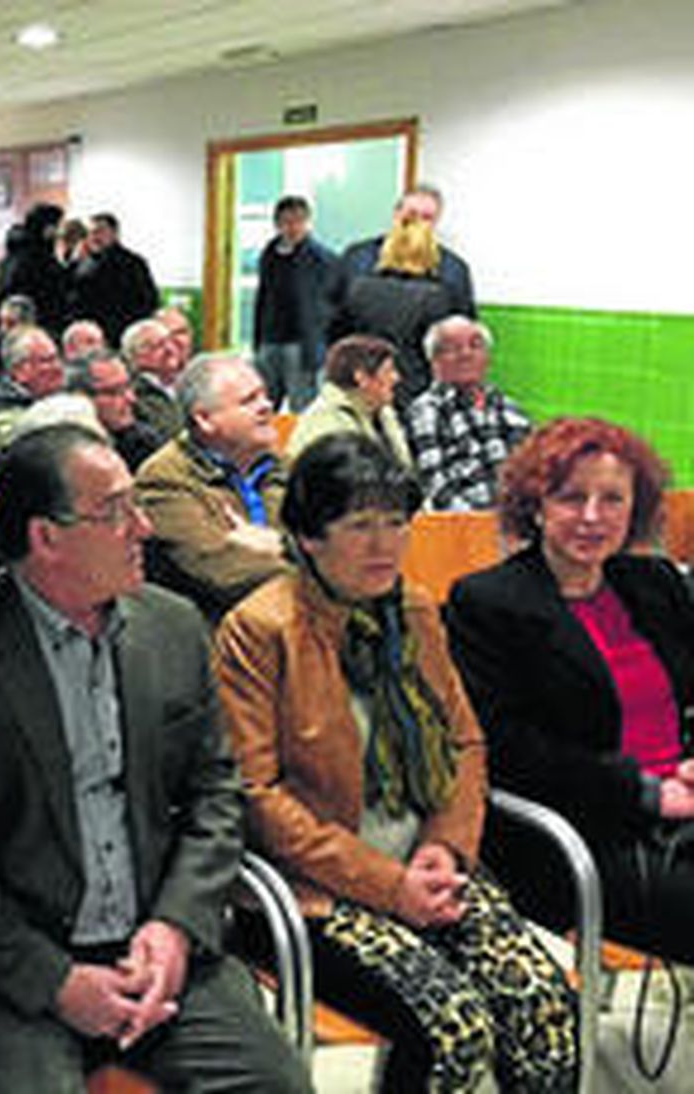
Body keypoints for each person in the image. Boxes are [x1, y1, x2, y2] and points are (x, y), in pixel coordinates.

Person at [0, 424, 310, 1094]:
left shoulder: (172, 627)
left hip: (159, 948)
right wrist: (54, 981)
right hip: (13, 971)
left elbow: (216, 796)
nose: (143, 527)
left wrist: (175, 928)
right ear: (47, 538)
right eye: (115, 511)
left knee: (275, 1084)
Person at [215, 433, 578, 1093]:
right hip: (316, 892)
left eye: (395, 523)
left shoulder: (411, 609)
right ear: (306, 536)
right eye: (359, 526)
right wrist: (389, 886)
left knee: (544, 1007)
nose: (385, 544)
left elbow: (465, 742)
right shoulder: (259, 629)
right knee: (453, 1026)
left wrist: (445, 850)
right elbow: (257, 797)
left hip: (430, 869)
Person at [445, 418, 694, 965]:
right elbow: (509, 749)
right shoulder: (488, 603)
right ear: (536, 506)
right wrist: (644, 792)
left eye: (611, 499)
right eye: (570, 497)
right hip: (576, 834)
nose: (591, 516)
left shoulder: (655, 584)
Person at [134, 354, 291, 622]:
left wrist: (281, 546)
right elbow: (221, 570)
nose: (267, 406)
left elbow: (343, 537)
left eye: (265, 396)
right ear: (205, 419)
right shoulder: (165, 479)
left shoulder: (288, 466)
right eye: (248, 400)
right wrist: (324, 571)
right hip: (221, 643)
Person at [327, 216, 457, 408]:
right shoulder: (436, 297)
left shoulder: (359, 289)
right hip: (414, 392)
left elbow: (336, 338)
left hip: (365, 387)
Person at [405, 315, 531, 511]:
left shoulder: (510, 409)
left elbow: (532, 474)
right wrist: (483, 525)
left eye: (475, 346)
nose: (466, 354)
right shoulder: (427, 410)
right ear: (434, 360)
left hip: (515, 522)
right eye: (453, 349)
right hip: (461, 528)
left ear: (488, 356)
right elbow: (435, 485)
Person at [326, 184, 476, 327]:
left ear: (436, 221)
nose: (417, 223)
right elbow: (332, 313)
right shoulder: (357, 258)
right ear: (396, 214)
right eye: (411, 215)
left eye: (426, 218)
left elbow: (463, 326)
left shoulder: (453, 269)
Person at [254, 195, 334, 412]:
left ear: (308, 222)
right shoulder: (268, 254)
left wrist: (322, 340)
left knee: (303, 407)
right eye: (287, 222)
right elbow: (262, 297)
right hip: (270, 341)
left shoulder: (321, 258)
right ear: (277, 224)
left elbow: (333, 303)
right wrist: (258, 340)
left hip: (302, 344)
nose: (293, 227)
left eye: (299, 221)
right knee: (263, 404)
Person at [286, 334, 413, 468]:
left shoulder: (383, 413)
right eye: (388, 371)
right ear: (362, 378)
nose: (396, 378)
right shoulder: (327, 424)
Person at [0, 323, 66, 465]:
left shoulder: (66, 403)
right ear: (20, 372)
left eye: (57, 358)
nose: (58, 368)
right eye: (47, 361)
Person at [70, 212, 160, 346]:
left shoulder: (132, 263)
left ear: (114, 233)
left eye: (99, 231)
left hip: (120, 335)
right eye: (90, 233)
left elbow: (148, 300)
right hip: (89, 335)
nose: (94, 237)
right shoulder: (83, 263)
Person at [66, 350, 165, 472]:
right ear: (81, 398)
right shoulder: (63, 454)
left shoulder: (144, 442)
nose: (131, 398)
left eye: (129, 386)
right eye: (114, 392)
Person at [0, 202, 69, 343]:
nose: (60, 234)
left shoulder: (4, 264)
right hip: (29, 343)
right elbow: (54, 307)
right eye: (58, 227)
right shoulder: (41, 266)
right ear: (48, 229)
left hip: (0, 341)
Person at [120, 317, 187, 442]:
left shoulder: (187, 383)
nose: (169, 349)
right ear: (136, 356)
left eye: (170, 341)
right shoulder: (135, 395)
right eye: (158, 345)